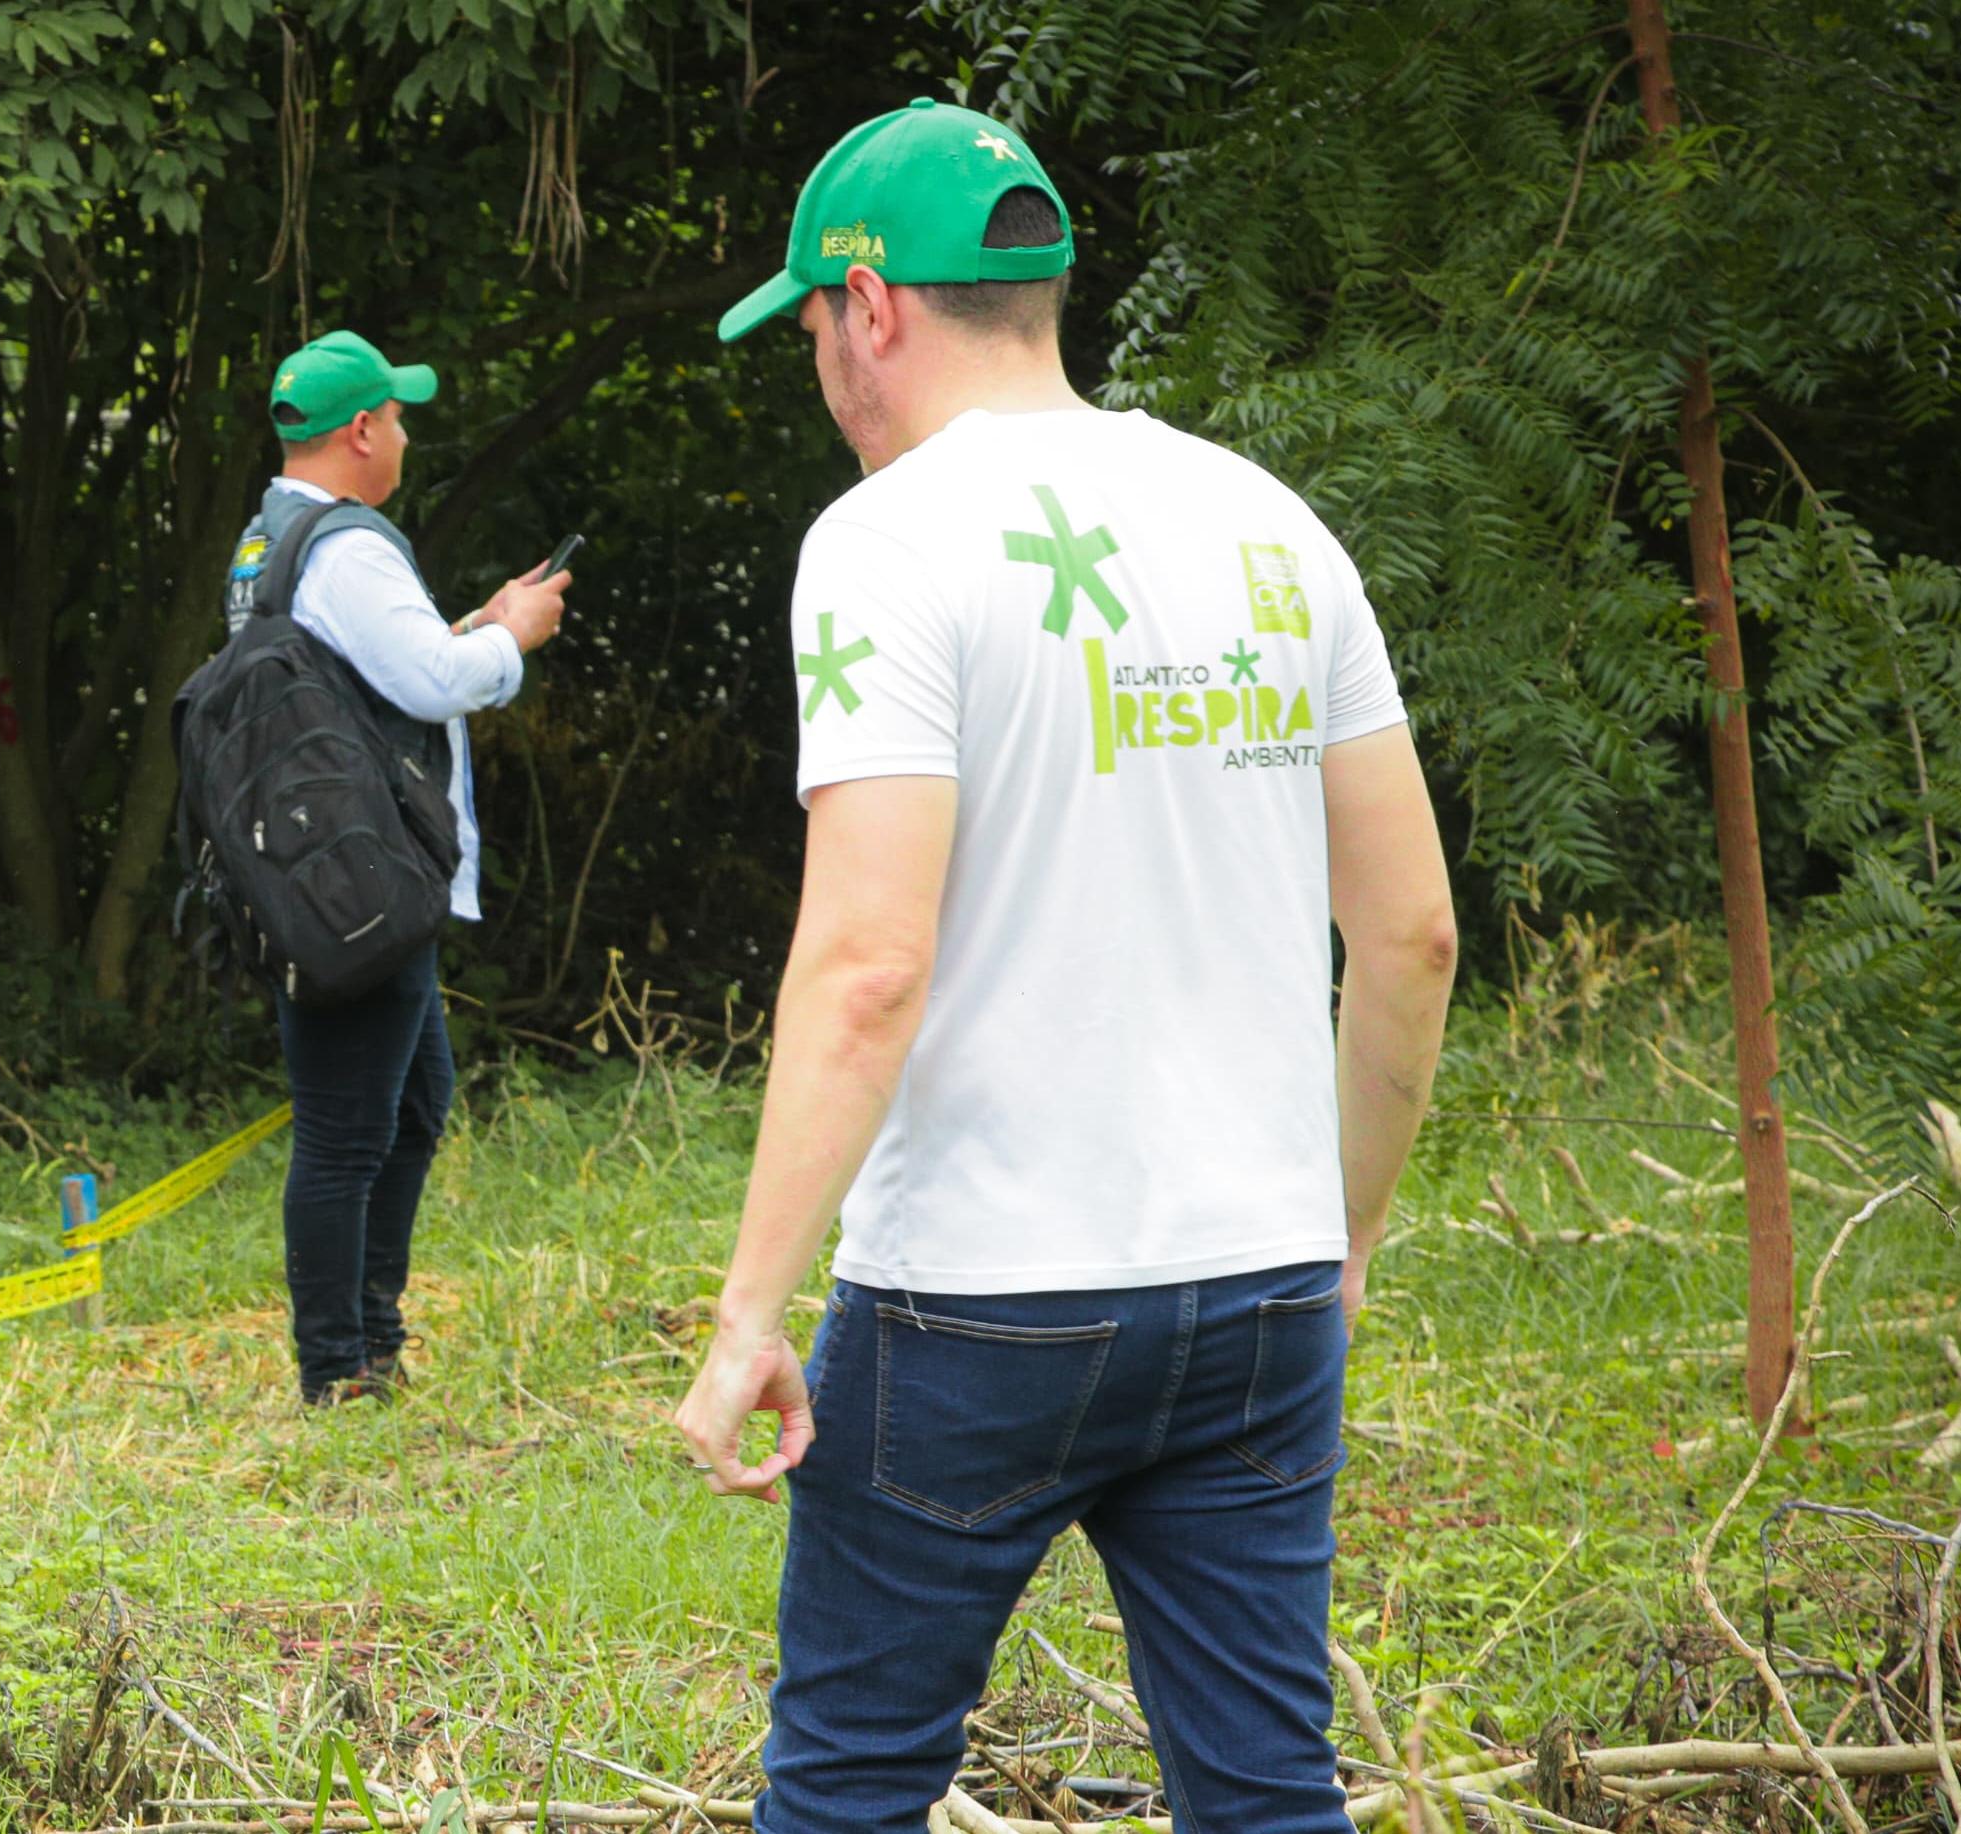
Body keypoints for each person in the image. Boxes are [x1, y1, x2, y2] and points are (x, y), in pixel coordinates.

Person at [664, 101, 1459, 1834]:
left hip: (975, 1299)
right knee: (1264, 1795)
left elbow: (866, 959)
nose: (812, 359)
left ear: (868, 305)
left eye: (806, 320)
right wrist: (1342, 1228)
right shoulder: (1267, 525)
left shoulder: (884, 543)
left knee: (848, 1789)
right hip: (1254, 1288)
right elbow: (1408, 930)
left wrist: (745, 1310)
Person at [235, 330, 575, 1406]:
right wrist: (510, 635)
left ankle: (371, 1335)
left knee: (415, 1099)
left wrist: (466, 621)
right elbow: (432, 685)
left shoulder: (267, 541)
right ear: (361, 430)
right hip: (358, 879)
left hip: (319, 870)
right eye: (400, 414)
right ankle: (338, 1367)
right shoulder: (350, 545)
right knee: (345, 1129)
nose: (409, 432)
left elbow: (360, 672)